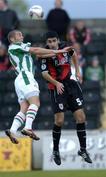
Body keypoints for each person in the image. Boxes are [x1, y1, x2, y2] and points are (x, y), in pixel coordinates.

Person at [5, 30, 69, 144]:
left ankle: (13, 130)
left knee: (24, 108)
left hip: (20, 80)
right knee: (35, 103)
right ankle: (28, 127)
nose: (22, 36)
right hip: (26, 77)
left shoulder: (19, 49)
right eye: (19, 35)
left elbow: (39, 54)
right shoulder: (16, 46)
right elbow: (35, 50)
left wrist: (58, 53)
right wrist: (58, 50)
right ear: (12, 39)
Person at [40, 31, 92, 165]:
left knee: (81, 117)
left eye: (53, 41)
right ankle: (56, 150)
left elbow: (74, 55)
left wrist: (78, 71)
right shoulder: (44, 53)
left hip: (70, 85)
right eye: (49, 42)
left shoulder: (65, 47)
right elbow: (44, 74)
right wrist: (56, 83)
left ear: (58, 40)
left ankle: (83, 149)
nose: (52, 44)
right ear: (47, 43)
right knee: (59, 121)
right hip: (56, 87)